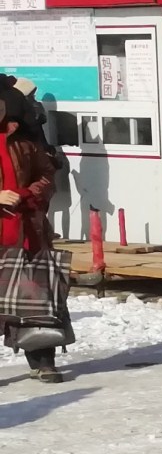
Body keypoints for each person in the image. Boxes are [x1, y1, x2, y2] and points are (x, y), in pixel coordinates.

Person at [1, 85, 70, 382]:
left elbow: (46, 175)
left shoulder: (24, 139)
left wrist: (27, 194)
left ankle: (42, 361)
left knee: (35, 297)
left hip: (26, 228)